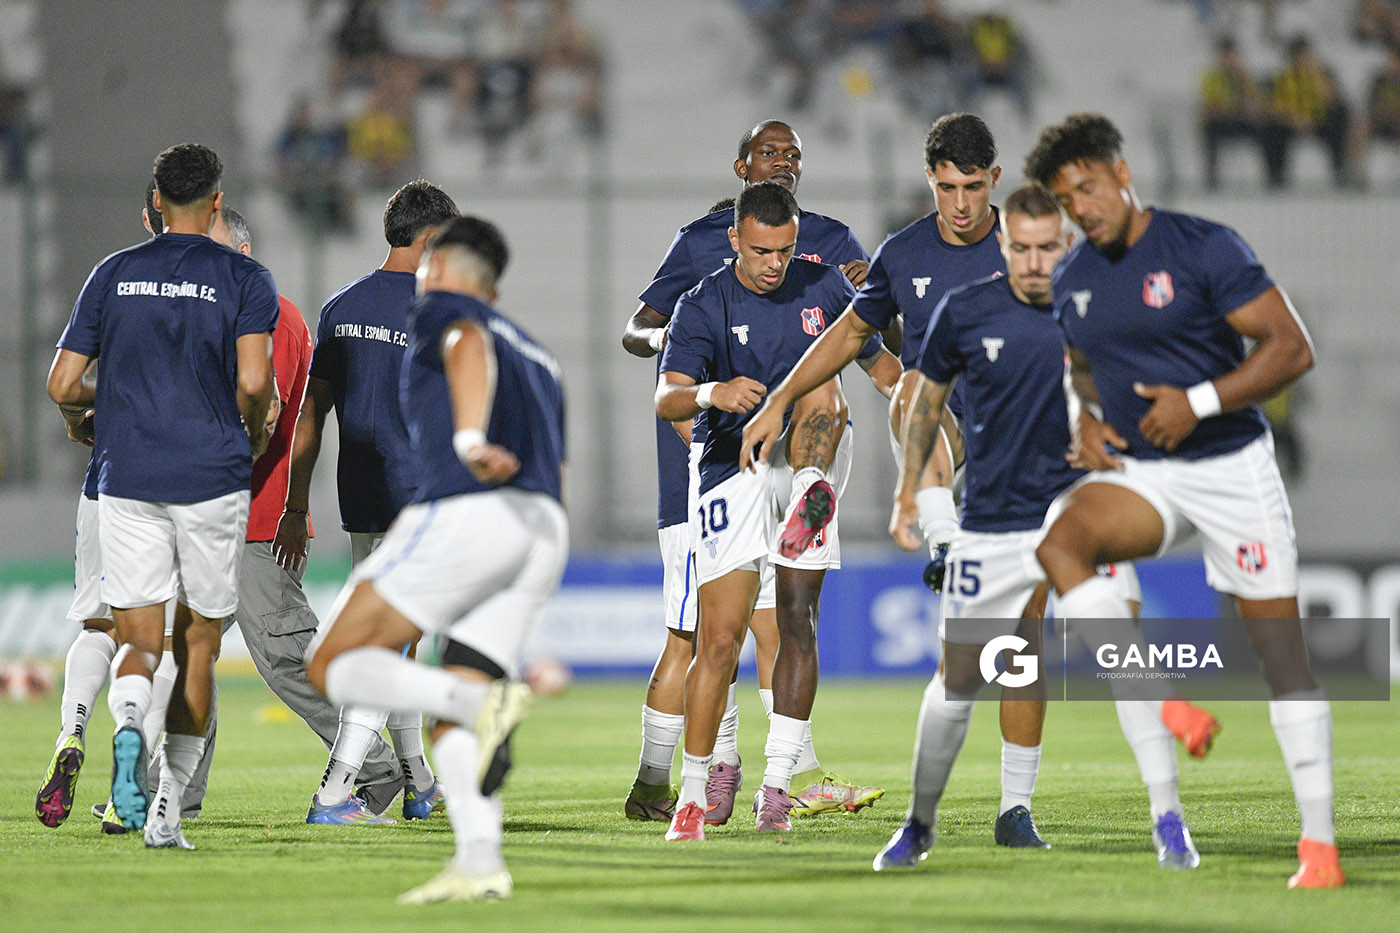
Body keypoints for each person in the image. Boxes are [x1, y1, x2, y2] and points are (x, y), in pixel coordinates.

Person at [740, 115, 1221, 848]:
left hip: (1061, 466)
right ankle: (943, 539)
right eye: (944, 188)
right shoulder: (907, 255)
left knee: (1081, 637)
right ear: (929, 180)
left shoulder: (1042, 256)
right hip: (978, 464)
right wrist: (780, 399)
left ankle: (1094, 811)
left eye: (971, 187)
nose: (958, 204)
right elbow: (847, 335)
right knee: (914, 405)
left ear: (994, 183)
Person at [1023, 112, 1342, 889]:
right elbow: (1077, 366)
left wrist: (1196, 400)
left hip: (1231, 465)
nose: (1083, 210)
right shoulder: (1072, 279)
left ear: (1123, 173)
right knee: (1061, 543)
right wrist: (1086, 417)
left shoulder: (1203, 245)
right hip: (1149, 473)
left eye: (1090, 189)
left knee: (1281, 659)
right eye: (1068, 200)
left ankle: (1321, 848)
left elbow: (1290, 347)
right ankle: (1164, 698)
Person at [876, 183, 1207, 871]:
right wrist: (911, 491)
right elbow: (924, 402)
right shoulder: (963, 311)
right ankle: (921, 823)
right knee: (959, 681)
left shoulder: (1095, 309)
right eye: (1020, 248)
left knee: (1124, 649)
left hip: (1078, 510)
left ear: (1066, 244)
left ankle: (1169, 820)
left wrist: (1106, 431)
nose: (1033, 261)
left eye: (1046, 248)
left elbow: (1128, 390)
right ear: (1003, 244)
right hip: (994, 524)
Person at [621, 119, 889, 827]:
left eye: (793, 153)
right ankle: (668, 780)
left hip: (788, 462)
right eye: (769, 152)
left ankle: (783, 778)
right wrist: (695, 360)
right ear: (741, 168)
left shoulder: (828, 254)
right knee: (704, 633)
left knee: (781, 623)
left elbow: (870, 346)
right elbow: (640, 338)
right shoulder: (700, 267)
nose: (783, 162)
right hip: (709, 465)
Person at [307, 215, 567, 904]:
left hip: (464, 510)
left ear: (442, 266)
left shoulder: (443, 309)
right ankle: (480, 860)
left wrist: (470, 436)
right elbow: (554, 457)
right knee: (456, 703)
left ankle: (476, 700)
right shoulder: (539, 353)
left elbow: (463, 342)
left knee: (331, 662)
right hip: (541, 525)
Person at [47, 143, 277, 848]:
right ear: (215, 202)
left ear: (154, 202)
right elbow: (250, 383)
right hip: (208, 476)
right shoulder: (244, 277)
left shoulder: (111, 273)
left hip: (126, 478)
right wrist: (255, 426)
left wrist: (112, 401)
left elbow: (62, 385)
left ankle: (120, 731)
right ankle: (167, 808)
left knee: (136, 640)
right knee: (198, 642)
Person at [282, 179, 459, 824]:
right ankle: (335, 791)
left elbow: (310, 417)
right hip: (422, 497)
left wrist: (297, 506)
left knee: (399, 638)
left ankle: (419, 785)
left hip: (360, 495)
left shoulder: (341, 307)